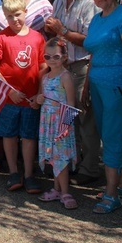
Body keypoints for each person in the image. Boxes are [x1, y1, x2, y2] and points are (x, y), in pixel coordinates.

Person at [45, 0, 101, 186]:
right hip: (62, 67)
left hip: (82, 66)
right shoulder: (58, 1)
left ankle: (90, 167)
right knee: (65, 117)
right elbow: (54, 34)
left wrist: (63, 31)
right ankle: (70, 164)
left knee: (85, 117)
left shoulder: (90, 2)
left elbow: (91, 41)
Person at [82, 0, 122, 213]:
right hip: (97, 83)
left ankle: (112, 195)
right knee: (109, 135)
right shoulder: (97, 19)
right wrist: (86, 86)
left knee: (114, 137)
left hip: (117, 85)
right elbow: (93, 53)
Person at [0, 0, 46, 194]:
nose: (15, 20)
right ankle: (13, 172)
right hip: (9, 98)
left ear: (26, 12)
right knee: (9, 135)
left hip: (30, 99)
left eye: (18, 15)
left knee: (29, 136)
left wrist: (40, 93)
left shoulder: (37, 37)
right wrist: (9, 90)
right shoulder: (1, 38)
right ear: (5, 16)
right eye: (10, 16)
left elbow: (43, 68)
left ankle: (29, 174)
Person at [36, 37, 78, 209]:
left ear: (64, 57)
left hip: (61, 122)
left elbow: (71, 103)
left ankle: (66, 191)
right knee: (53, 156)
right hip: (47, 121)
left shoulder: (65, 76)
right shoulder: (45, 77)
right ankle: (56, 188)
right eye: (48, 57)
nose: (52, 60)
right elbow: (41, 98)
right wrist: (38, 99)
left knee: (61, 156)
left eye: (56, 57)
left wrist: (66, 125)